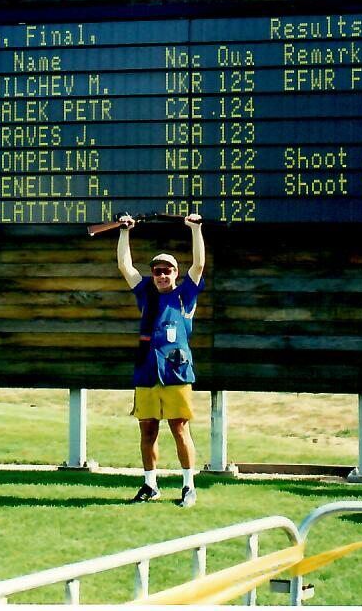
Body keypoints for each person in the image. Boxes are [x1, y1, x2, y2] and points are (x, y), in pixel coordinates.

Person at [116, 212, 205, 507]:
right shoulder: (146, 293)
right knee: (148, 430)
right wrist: (124, 231)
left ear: (175, 273)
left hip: (176, 373)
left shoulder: (185, 295)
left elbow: (199, 264)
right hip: (146, 372)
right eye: (157, 271)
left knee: (180, 428)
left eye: (167, 271)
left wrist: (195, 229)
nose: (162, 275)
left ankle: (188, 486)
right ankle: (150, 484)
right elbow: (124, 266)